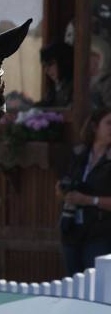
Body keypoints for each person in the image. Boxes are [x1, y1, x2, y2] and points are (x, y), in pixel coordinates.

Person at [56, 106, 111, 274]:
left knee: (95, 289)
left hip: (99, 234)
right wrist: (62, 191)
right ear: (94, 127)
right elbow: (64, 189)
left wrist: (89, 200)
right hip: (72, 231)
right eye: (109, 123)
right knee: (73, 286)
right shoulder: (79, 154)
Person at [34, 42, 74, 108]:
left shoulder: (75, 89)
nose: (46, 70)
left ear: (63, 62)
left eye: (50, 64)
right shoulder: (53, 89)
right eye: (44, 66)